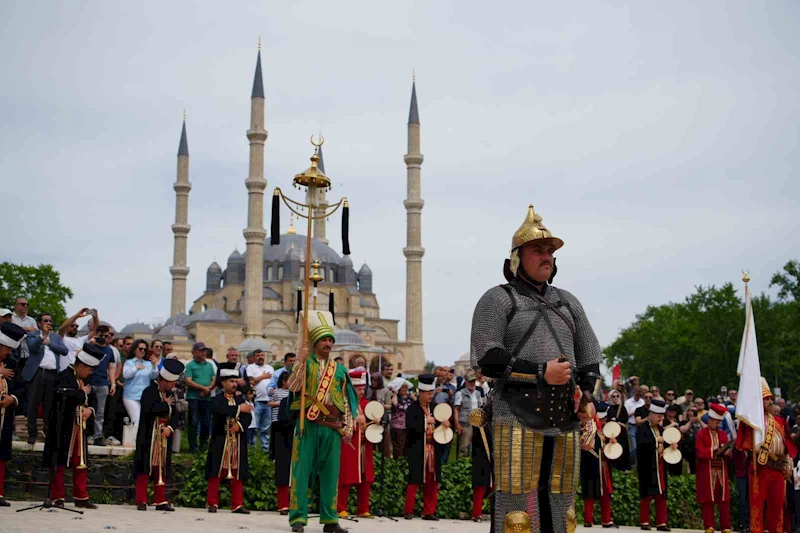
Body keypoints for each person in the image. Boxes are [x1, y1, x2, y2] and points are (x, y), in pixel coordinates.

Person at [470, 205, 603, 533]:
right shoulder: (498, 299)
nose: (547, 257)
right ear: (517, 258)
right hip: (516, 414)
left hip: (564, 417)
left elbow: (590, 360)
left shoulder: (568, 302)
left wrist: (587, 396)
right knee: (516, 511)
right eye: (538, 250)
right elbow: (488, 358)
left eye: (550, 252)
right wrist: (542, 372)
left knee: (562, 509)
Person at [286, 311, 357, 533]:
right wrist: (299, 360)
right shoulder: (305, 363)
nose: (328, 344)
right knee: (301, 472)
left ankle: (330, 520)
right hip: (308, 425)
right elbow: (293, 387)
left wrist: (348, 427)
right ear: (315, 342)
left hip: (332, 428)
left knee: (330, 475)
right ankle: (298, 518)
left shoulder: (339, 370)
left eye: (330, 340)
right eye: (324, 340)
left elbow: (347, 400)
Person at [43, 343, 105, 509]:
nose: (90, 373)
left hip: (80, 428)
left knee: (80, 461)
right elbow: (63, 398)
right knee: (60, 461)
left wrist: (90, 410)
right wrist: (82, 394)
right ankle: (57, 496)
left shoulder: (86, 379)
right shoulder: (63, 377)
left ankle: (81, 496)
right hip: (64, 426)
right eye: (89, 369)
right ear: (81, 366)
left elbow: (93, 400)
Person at [736, 377, 798, 533]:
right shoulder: (752, 422)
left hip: (778, 468)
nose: (770, 402)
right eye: (766, 399)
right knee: (757, 504)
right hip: (760, 467)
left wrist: (788, 465)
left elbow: (786, 446)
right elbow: (745, 444)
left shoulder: (780, 422)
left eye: (770, 398)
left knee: (777, 505)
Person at [133, 358, 184, 512]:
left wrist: (170, 428)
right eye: (171, 383)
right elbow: (150, 410)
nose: (173, 386)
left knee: (161, 468)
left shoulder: (170, 394)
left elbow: (175, 415)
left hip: (164, 436)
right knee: (144, 468)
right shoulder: (149, 392)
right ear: (163, 380)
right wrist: (165, 404)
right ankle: (141, 499)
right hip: (149, 436)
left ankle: (160, 499)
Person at [205, 362, 253, 514]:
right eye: (231, 381)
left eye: (235, 381)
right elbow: (219, 410)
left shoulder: (240, 399)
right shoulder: (217, 400)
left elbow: (248, 416)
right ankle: (212, 503)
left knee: (237, 472)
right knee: (216, 471)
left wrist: (239, 425)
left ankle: (237, 504)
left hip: (237, 442)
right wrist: (238, 409)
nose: (234, 384)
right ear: (224, 383)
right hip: (221, 440)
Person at [404, 374, 447, 521]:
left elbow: (441, 424)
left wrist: (445, 424)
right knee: (414, 480)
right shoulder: (412, 409)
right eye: (428, 393)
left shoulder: (435, 407)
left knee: (432, 481)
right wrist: (425, 421)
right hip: (418, 449)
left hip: (433, 448)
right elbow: (410, 427)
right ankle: (408, 510)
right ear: (421, 393)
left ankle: (429, 511)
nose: (430, 396)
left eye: (431, 393)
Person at [23, 313, 68, 445]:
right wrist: (42, 336)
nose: (48, 323)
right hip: (37, 373)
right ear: (39, 323)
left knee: (50, 405)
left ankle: (48, 433)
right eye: (45, 321)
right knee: (33, 404)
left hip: (52, 374)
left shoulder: (55, 337)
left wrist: (50, 343)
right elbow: (33, 348)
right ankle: (32, 434)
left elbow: (64, 351)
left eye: (50, 321)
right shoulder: (33, 335)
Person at [337, 369, 374, 518]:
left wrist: (376, 422)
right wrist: (354, 420)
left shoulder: (367, 404)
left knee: (366, 478)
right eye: (358, 389)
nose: (361, 392)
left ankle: (363, 509)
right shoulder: (343, 403)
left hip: (365, 446)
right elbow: (339, 422)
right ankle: (340, 508)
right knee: (346, 477)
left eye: (363, 389)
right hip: (349, 445)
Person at [695, 403, 732, 533]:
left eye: (719, 422)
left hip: (721, 469)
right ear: (710, 420)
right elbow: (699, 452)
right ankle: (709, 525)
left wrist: (727, 452)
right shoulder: (701, 434)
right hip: (707, 470)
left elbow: (727, 452)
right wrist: (714, 449)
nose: (717, 424)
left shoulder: (722, 434)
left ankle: (726, 526)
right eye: (716, 422)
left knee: (724, 499)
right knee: (707, 499)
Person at [0, 323, 26, 505]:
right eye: (6, 348)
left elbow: (21, 388)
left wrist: (12, 399)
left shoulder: (13, 364)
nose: (8, 352)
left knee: (1, 454)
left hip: (4, 415)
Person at [637, 399, 673, 531]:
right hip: (647, 466)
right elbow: (642, 444)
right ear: (651, 414)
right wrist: (656, 441)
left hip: (660, 465)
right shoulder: (643, 429)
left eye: (662, 416)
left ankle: (661, 522)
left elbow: (667, 441)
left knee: (661, 494)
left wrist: (672, 444)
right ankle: (644, 521)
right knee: (647, 494)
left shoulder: (661, 429)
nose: (661, 418)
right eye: (659, 416)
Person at [582, 402, 616, 528]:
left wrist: (612, 443)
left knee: (605, 493)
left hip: (603, 465)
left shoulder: (607, 431)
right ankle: (588, 519)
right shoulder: (589, 428)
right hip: (591, 464)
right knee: (589, 492)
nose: (604, 421)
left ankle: (606, 519)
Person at [87, 325, 116, 446]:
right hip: (89, 381)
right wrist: (90, 343)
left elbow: (111, 367)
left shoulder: (109, 350)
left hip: (103, 383)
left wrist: (113, 383)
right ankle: (87, 434)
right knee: (87, 409)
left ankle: (98, 436)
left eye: (106, 336)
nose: (103, 338)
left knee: (100, 412)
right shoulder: (89, 347)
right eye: (101, 336)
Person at [184, 342, 216, 452]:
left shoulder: (209, 365)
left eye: (204, 350)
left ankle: (203, 446)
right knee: (193, 422)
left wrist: (209, 389)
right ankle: (193, 447)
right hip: (194, 397)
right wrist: (203, 388)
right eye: (201, 350)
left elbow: (213, 379)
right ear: (194, 352)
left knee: (206, 423)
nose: (203, 352)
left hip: (206, 398)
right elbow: (188, 381)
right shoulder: (190, 365)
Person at [268, 372, 293, 515]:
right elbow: (282, 422)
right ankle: (283, 504)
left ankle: (298, 504)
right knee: (284, 471)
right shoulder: (285, 401)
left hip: (301, 441)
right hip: (285, 440)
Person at [122, 340, 158, 429]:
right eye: (140, 349)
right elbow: (126, 375)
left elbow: (153, 376)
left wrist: (154, 365)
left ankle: (138, 438)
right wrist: (136, 367)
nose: (142, 351)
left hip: (144, 396)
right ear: (135, 350)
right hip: (131, 396)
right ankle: (134, 437)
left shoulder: (148, 363)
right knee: (136, 419)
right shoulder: (129, 362)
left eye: (144, 349)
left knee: (144, 421)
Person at [246, 348, 274, 452]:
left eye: (262, 355)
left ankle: (265, 449)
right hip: (256, 401)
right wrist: (263, 376)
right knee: (253, 427)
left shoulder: (270, 368)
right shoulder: (251, 367)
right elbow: (251, 381)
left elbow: (273, 382)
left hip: (268, 401)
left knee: (266, 428)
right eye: (258, 356)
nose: (260, 357)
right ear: (253, 357)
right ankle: (251, 450)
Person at [471, 391, 492, 523]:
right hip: (481, 455)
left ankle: (495, 512)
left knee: (494, 486)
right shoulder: (479, 419)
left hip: (495, 456)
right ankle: (476, 513)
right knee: (480, 486)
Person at [454, 371, 482, 458]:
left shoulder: (478, 393)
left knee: (476, 447)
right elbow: (456, 410)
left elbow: (481, 407)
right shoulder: (460, 393)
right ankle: (461, 464)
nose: (472, 383)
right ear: (466, 382)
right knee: (463, 447)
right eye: (470, 381)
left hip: (477, 423)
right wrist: (457, 424)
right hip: (465, 423)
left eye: (473, 381)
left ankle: (473, 464)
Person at [367, 371, 392, 456]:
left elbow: (390, 405)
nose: (373, 382)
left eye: (375, 381)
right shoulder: (369, 389)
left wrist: (381, 405)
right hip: (370, 417)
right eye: (372, 380)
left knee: (382, 440)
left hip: (381, 418)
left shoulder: (385, 391)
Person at [390, 380, 413, 457]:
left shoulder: (410, 398)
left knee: (406, 445)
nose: (404, 389)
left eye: (405, 387)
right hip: (398, 426)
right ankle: (398, 461)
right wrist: (395, 393)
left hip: (408, 425)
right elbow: (395, 404)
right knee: (399, 446)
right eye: (402, 387)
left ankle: (404, 461)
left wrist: (414, 397)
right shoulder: (396, 397)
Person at [624, 386, 645, 466]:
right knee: (634, 446)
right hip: (632, 425)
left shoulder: (642, 402)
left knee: (640, 445)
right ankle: (631, 463)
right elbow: (625, 415)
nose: (638, 394)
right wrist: (635, 412)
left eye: (640, 393)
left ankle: (638, 463)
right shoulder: (628, 402)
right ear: (633, 392)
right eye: (637, 392)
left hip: (641, 426)